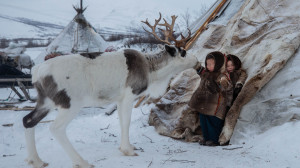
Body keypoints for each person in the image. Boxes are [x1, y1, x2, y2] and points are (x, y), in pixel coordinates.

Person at [189, 51, 233, 146]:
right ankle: (206, 137)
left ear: (218, 64)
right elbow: (200, 70)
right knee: (204, 121)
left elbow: (228, 87)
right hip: (204, 104)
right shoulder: (206, 73)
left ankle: (214, 139)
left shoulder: (221, 75)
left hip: (215, 106)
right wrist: (196, 66)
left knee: (213, 123)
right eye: (207, 64)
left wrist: (224, 83)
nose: (208, 66)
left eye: (211, 64)